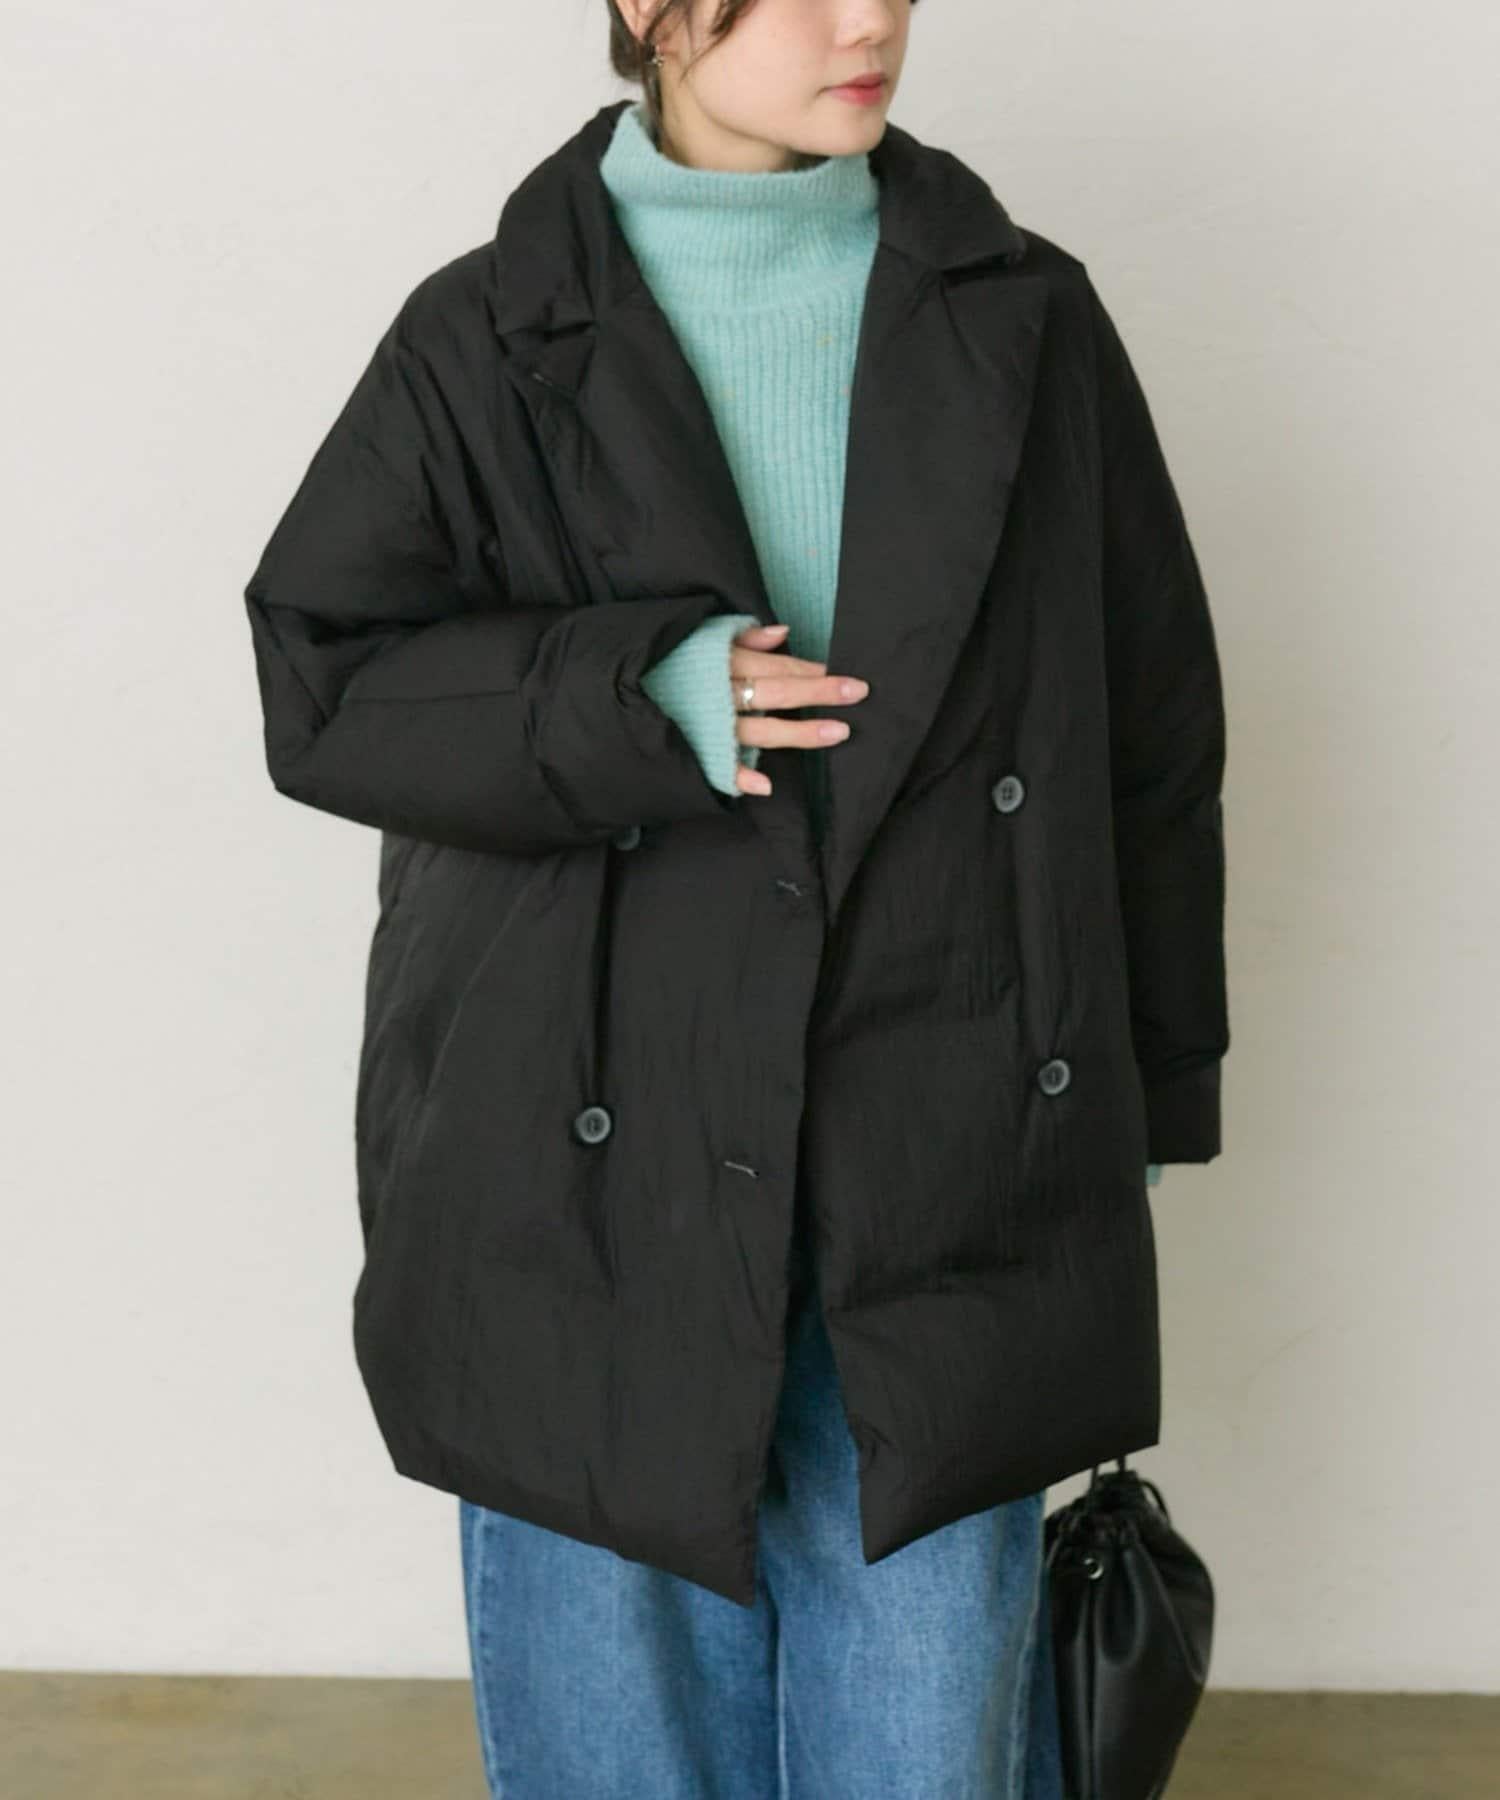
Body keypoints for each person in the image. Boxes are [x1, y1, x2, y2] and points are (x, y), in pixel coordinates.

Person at [244, 1, 1227, 1793]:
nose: (872, 19)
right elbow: (323, 684)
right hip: (583, 1175)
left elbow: (1150, 734)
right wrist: (636, 700)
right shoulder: (483, 332)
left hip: (947, 1156)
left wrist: (1146, 1095)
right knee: (620, 1760)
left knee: (925, 1758)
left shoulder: (1031, 318)